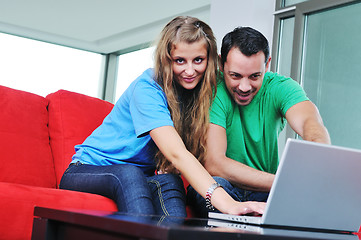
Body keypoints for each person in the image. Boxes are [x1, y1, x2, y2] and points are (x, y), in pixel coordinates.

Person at [60, 17, 265, 218]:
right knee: (129, 174)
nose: (190, 70)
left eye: (198, 60)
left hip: (143, 176)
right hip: (87, 170)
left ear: (209, 60)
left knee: (171, 181)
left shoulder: (203, 92)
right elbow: (176, 153)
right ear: (166, 59)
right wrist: (228, 203)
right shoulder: (147, 87)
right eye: (180, 61)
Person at [187, 26, 331, 217]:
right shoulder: (212, 89)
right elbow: (215, 163)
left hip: (265, 191)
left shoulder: (282, 87)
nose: (244, 87)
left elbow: (309, 122)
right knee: (210, 189)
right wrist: (284, 181)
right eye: (235, 76)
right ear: (221, 64)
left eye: (255, 76)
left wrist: (319, 151)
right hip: (224, 187)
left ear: (267, 64)